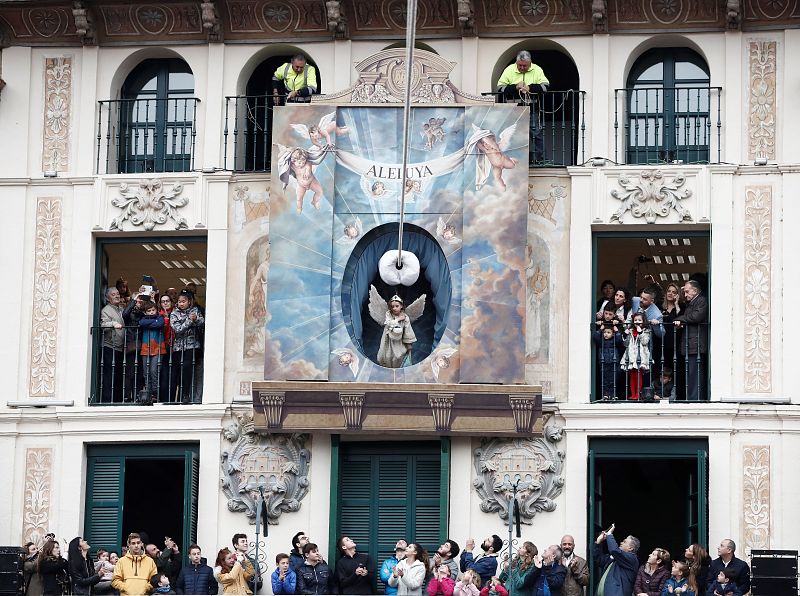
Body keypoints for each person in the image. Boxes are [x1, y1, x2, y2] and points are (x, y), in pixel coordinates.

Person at [496, 50, 549, 164]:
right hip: (513, 108)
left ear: (530, 63)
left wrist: (530, 87)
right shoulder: (509, 69)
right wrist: (515, 87)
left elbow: (545, 87)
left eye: (525, 65)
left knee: (536, 133)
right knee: (513, 135)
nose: (522, 68)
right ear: (516, 63)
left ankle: (540, 159)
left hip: (532, 107)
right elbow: (500, 88)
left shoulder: (537, 69)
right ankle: (513, 160)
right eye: (519, 65)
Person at [673, 280, 708, 401]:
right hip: (691, 345)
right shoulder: (693, 302)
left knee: (695, 375)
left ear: (695, 290)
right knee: (691, 375)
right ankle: (691, 398)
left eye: (687, 292)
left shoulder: (701, 300)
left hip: (695, 344)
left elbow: (696, 317)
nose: (685, 294)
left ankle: (695, 399)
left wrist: (681, 319)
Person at [170, 289, 205, 404]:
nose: (181, 303)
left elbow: (202, 322)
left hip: (192, 346)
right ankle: (181, 395)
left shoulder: (195, 311)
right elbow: (178, 329)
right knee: (181, 371)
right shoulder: (174, 313)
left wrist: (195, 319)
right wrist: (190, 321)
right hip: (179, 348)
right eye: (179, 301)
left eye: (183, 301)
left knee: (188, 368)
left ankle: (187, 395)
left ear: (189, 302)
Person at [593, 527, 640, 596]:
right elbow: (599, 559)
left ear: (631, 548)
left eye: (624, 542)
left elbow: (614, 550)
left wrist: (609, 534)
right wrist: (598, 542)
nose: (621, 543)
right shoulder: (616, 558)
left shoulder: (632, 558)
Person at [100, 287, 125, 403]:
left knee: (118, 376)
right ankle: (107, 401)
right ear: (108, 298)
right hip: (109, 347)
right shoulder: (106, 310)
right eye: (113, 294)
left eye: (118, 294)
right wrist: (113, 323)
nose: (117, 296)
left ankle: (117, 400)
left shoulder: (120, 309)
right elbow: (103, 324)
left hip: (119, 348)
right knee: (109, 376)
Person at [377, 295, 418, 368]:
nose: (394, 308)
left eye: (397, 306)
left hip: (399, 340)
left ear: (401, 306)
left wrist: (409, 343)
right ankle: (388, 367)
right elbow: (388, 323)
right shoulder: (388, 314)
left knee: (398, 355)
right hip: (389, 338)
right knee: (387, 355)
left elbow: (408, 330)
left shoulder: (405, 317)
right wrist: (398, 319)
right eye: (392, 307)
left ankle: (398, 367)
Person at [138, 300, 166, 404]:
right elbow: (141, 323)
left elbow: (160, 324)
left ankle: (155, 394)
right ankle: (148, 394)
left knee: (154, 371)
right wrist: (153, 322)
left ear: (156, 310)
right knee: (146, 373)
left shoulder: (160, 318)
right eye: (149, 311)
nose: (151, 312)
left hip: (158, 347)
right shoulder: (144, 319)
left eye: (153, 310)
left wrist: (150, 323)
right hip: (146, 348)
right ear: (145, 312)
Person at [622, 312, 652, 400]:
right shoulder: (630, 330)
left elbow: (645, 341)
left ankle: (638, 394)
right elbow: (625, 344)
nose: (637, 322)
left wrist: (641, 332)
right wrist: (625, 334)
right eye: (635, 320)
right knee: (632, 375)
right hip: (631, 356)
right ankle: (633, 394)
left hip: (641, 356)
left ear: (643, 321)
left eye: (639, 320)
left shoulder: (646, 330)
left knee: (639, 375)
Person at [594, 323, 624, 399]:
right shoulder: (601, 341)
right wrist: (600, 329)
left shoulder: (614, 341)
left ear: (612, 334)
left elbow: (619, 340)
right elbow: (595, 337)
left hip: (613, 362)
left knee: (613, 379)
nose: (606, 334)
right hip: (603, 362)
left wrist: (617, 331)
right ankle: (606, 394)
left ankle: (612, 394)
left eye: (608, 332)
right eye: (604, 332)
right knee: (605, 379)